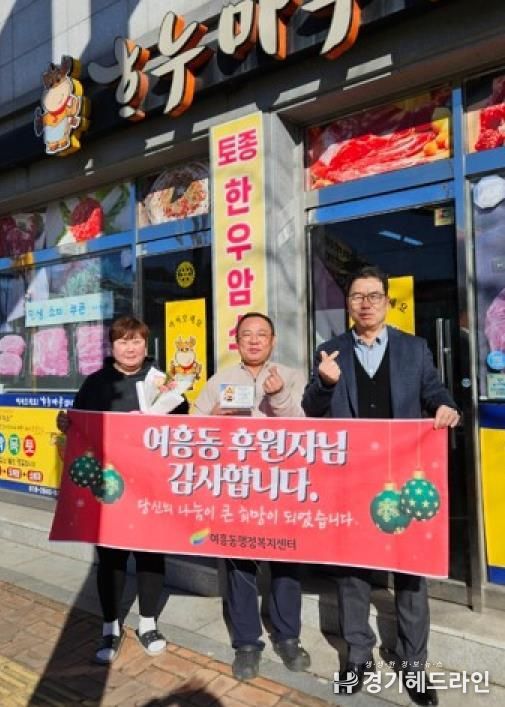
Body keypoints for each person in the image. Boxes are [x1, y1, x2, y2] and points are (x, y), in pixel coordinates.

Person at [302, 266, 459, 707]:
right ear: (348, 303)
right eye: (357, 296)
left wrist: (446, 407)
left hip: (403, 475)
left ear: (387, 301)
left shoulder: (414, 348)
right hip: (351, 478)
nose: (366, 303)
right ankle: (358, 658)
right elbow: (311, 409)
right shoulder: (330, 351)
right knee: (352, 571)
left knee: (410, 571)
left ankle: (413, 663)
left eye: (374, 295)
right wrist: (325, 383)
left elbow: (435, 392)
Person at [57, 315, 188, 665]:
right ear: (112, 346)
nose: (130, 348)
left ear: (147, 344)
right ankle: (110, 626)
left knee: (150, 554)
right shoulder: (96, 382)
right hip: (109, 486)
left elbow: (184, 426)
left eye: (137, 340)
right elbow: (79, 426)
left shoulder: (163, 381)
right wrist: (67, 424)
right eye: (122, 341)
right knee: (111, 559)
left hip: (152, 485)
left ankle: (148, 624)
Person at [191, 312, 311, 681]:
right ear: (237, 340)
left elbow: (305, 428)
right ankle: (246, 643)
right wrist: (214, 416)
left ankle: (288, 637)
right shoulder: (219, 380)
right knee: (239, 564)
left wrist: (279, 397)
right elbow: (190, 430)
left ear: (273, 340)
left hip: (281, 485)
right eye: (247, 334)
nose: (254, 340)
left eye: (262, 334)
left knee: (286, 561)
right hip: (236, 486)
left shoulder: (292, 376)